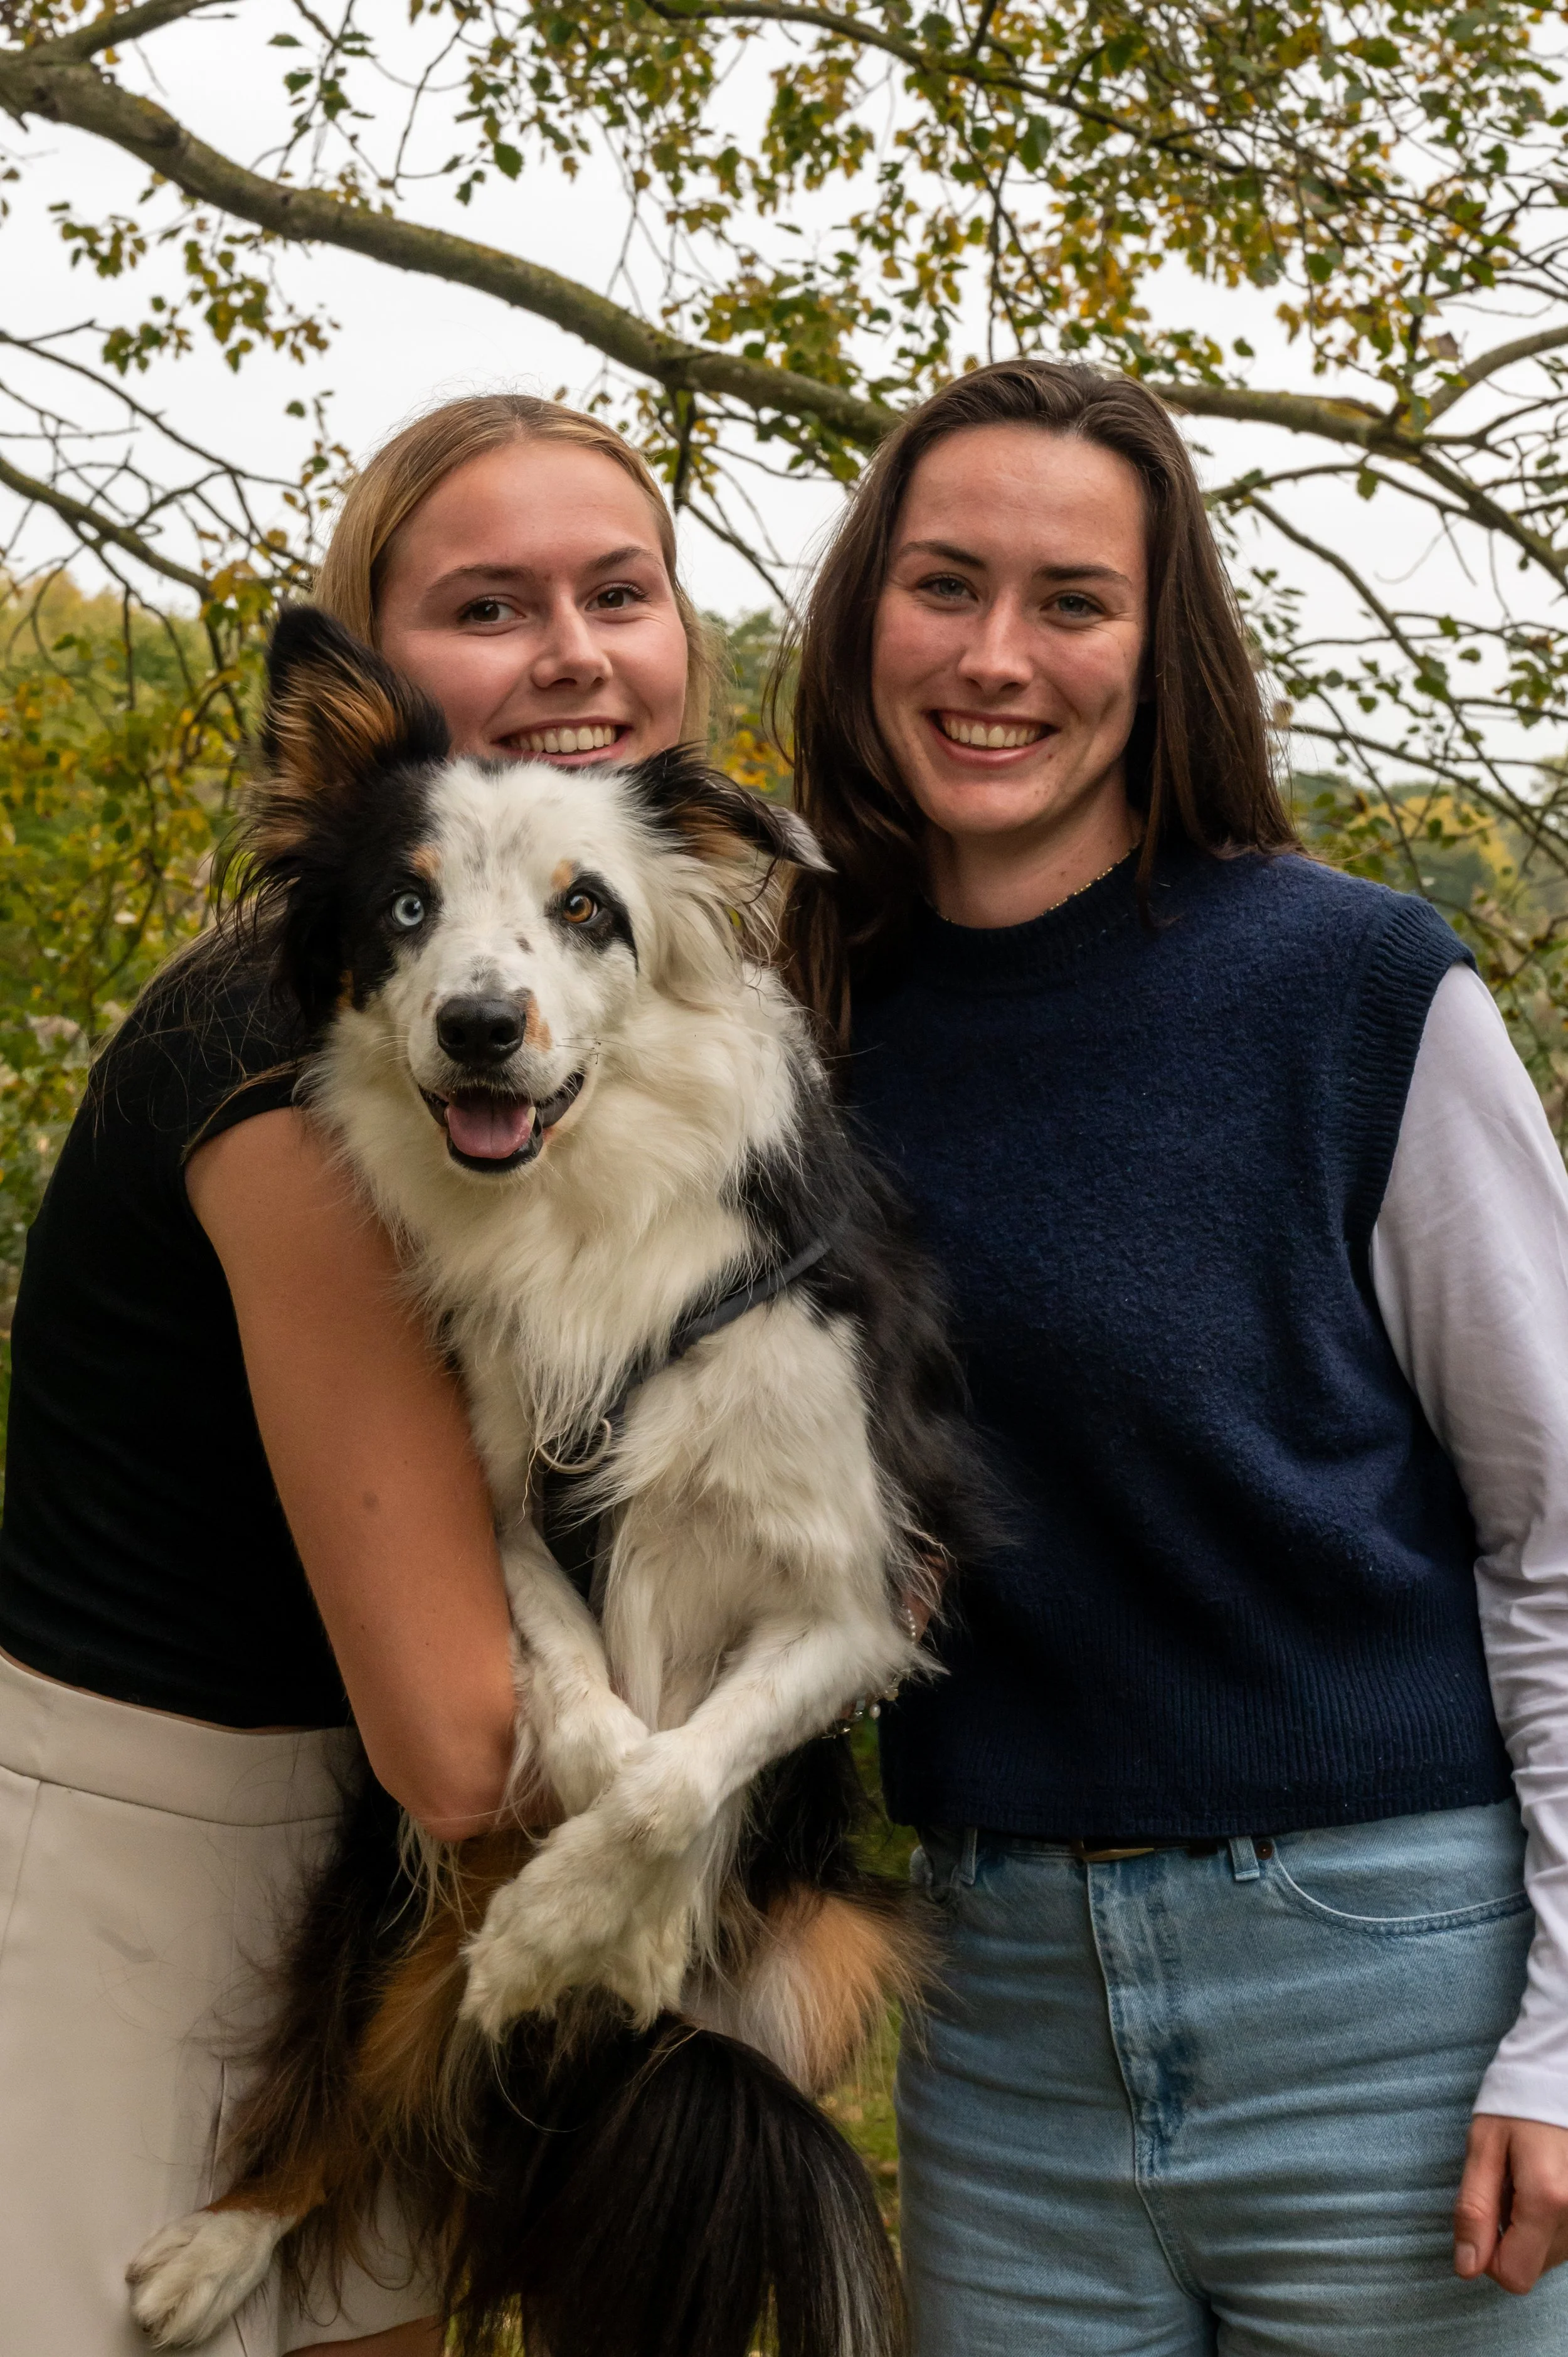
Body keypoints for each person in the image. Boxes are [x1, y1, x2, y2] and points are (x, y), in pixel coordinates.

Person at [781, 356, 1568, 2351]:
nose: (994, 657)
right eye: (943, 583)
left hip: (1387, 1993)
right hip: (999, 2021)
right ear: (865, 605)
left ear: (1162, 643)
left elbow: (1558, 1527)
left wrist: (1565, 2031)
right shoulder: (793, 1028)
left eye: (1071, 600)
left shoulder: (1352, 988)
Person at [0, 393, 707, 2356]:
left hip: (379, 1914)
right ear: (368, 679)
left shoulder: (608, 1021)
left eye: (617, 591)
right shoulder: (294, 1045)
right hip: (163, 1882)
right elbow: (462, 1738)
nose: (572, 651)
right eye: (489, 604)